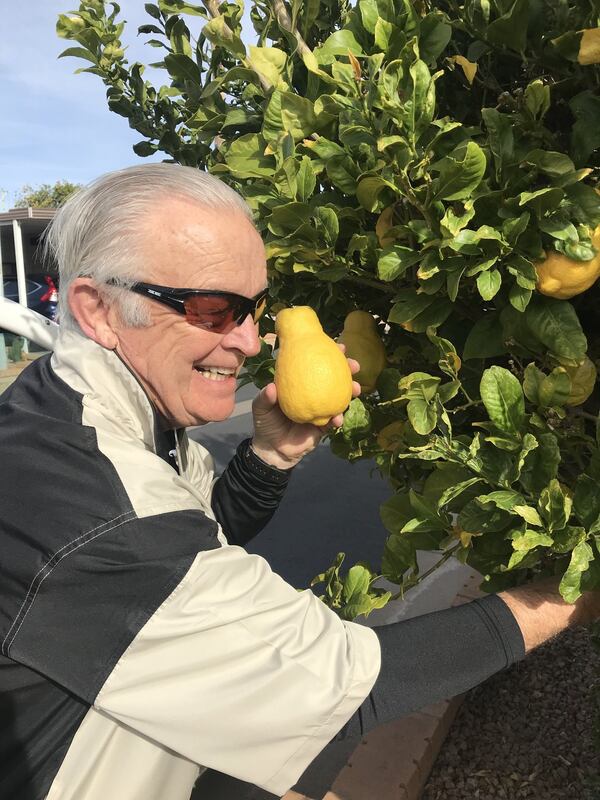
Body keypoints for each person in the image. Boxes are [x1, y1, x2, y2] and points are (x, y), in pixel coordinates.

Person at [0, 164, 597, 800]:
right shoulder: (89, 507)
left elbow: (195, 534)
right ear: (99, 310)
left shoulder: (90, 412)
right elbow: (347, 682)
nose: (251, 342)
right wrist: (573, 596)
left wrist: (269, 456)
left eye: (254, 309)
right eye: (213, 309)